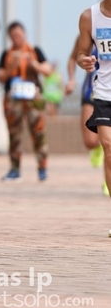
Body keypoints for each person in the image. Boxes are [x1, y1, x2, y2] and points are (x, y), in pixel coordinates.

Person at [77, 0, 111, 236]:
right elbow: (81, 52)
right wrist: (84, 61)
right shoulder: (90, 17)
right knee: (109, 149)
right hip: (104, 93)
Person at [0, 21, 52, 181]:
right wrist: (11, 66)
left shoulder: (35, 51)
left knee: (39, 132)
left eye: (19, 34)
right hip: (13, 98)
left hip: (33, 97)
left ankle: (42, 167)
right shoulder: (6, 54)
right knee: (14, 134)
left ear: (24, 33)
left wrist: (32, 63)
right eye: (13, 36)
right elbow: (1, 77)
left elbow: (47, 70)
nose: (17, 38)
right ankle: (15, 168)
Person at [66, 35, 107, 194]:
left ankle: (107, 182)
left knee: (109, 145)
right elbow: (73, 58)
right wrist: (71, 79)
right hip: (91, 92)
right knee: (90, 141)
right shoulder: (88, 34)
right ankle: (97, 147)